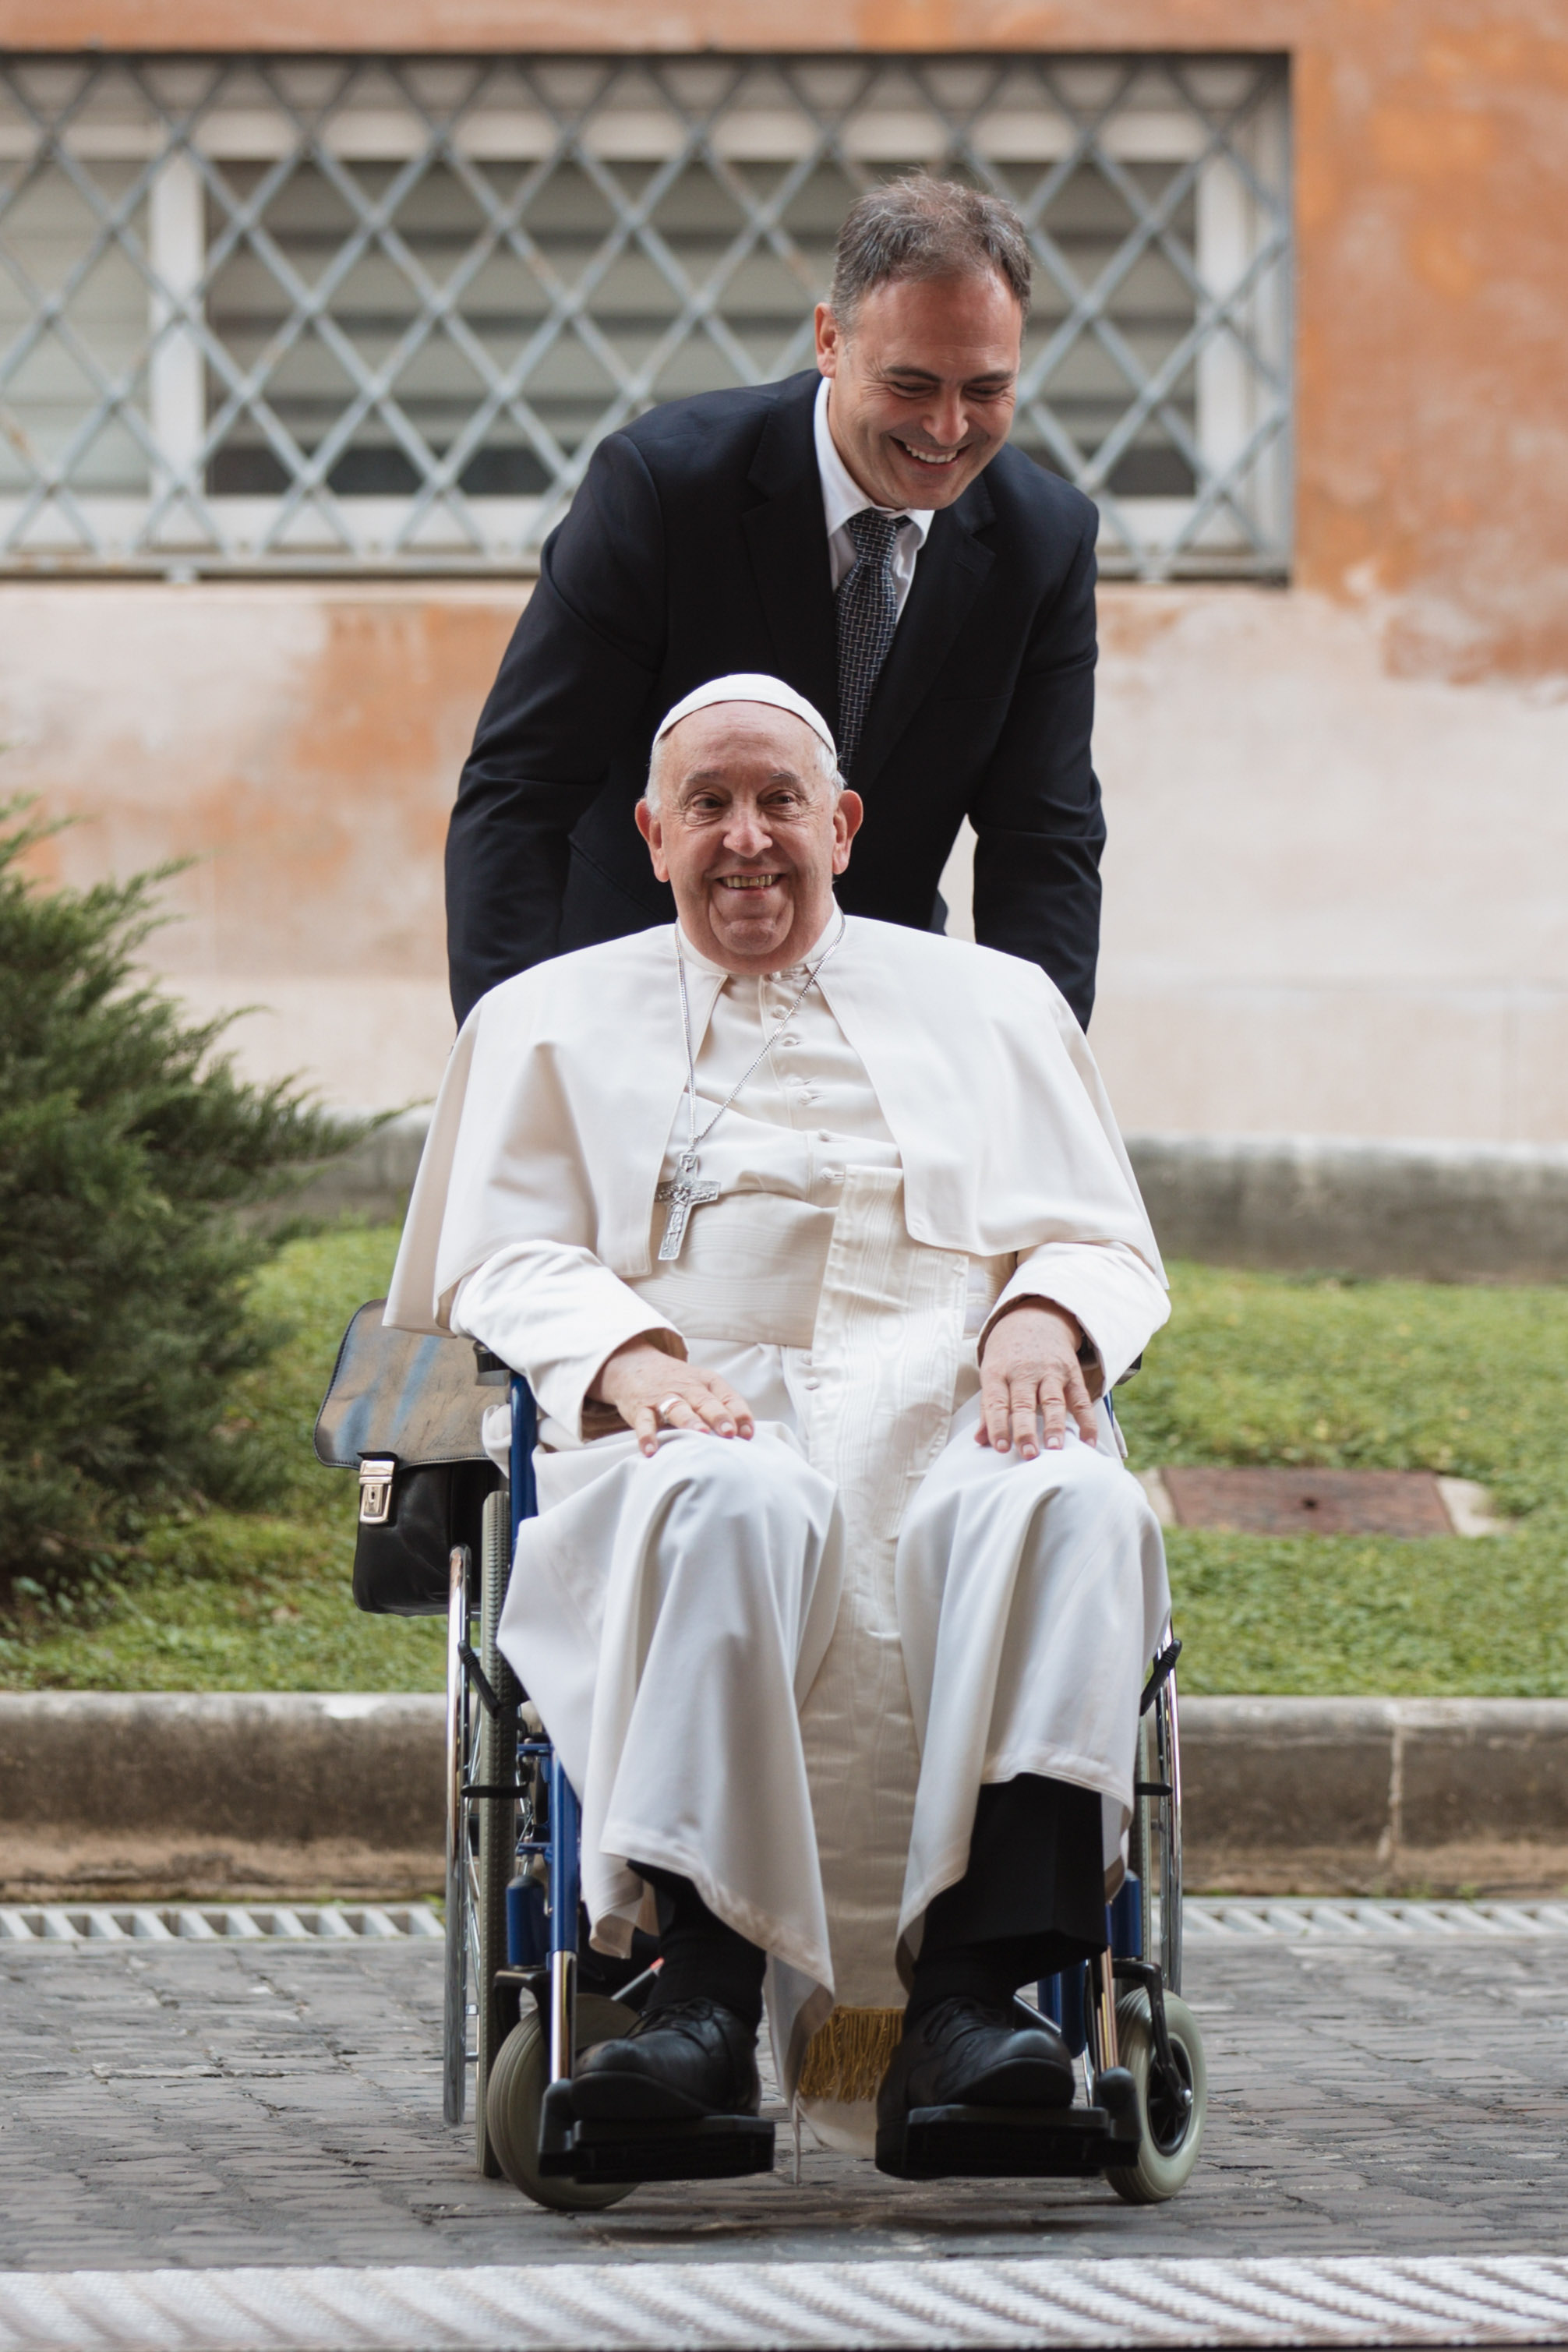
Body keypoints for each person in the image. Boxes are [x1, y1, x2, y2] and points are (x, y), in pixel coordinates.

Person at [390, 676, 1166, 2166]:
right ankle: (700, 1997)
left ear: (845, 825)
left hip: (950, 1397)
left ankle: (971, 2001)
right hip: (689, 1402)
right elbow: (497, 1253)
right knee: (729, 1497)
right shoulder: (546, 1020)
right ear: (652, 833)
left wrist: (1041, 1311)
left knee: (1078, 1504)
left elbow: (1101, 1239)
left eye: (778, 803)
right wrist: (624, 1352)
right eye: (708, 805)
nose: (745, 838)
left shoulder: (996, 1003)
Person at [445, 174, 1105, 1032]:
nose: (948, 428)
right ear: (830, 339)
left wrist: (1036, 1069)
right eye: (911, 384)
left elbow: (1043, 846)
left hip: (874, 1010)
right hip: (636, 994)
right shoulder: (663, 489)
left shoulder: (1044, 540)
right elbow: (520, 787)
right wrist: (509, 1049)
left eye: (985, 390)